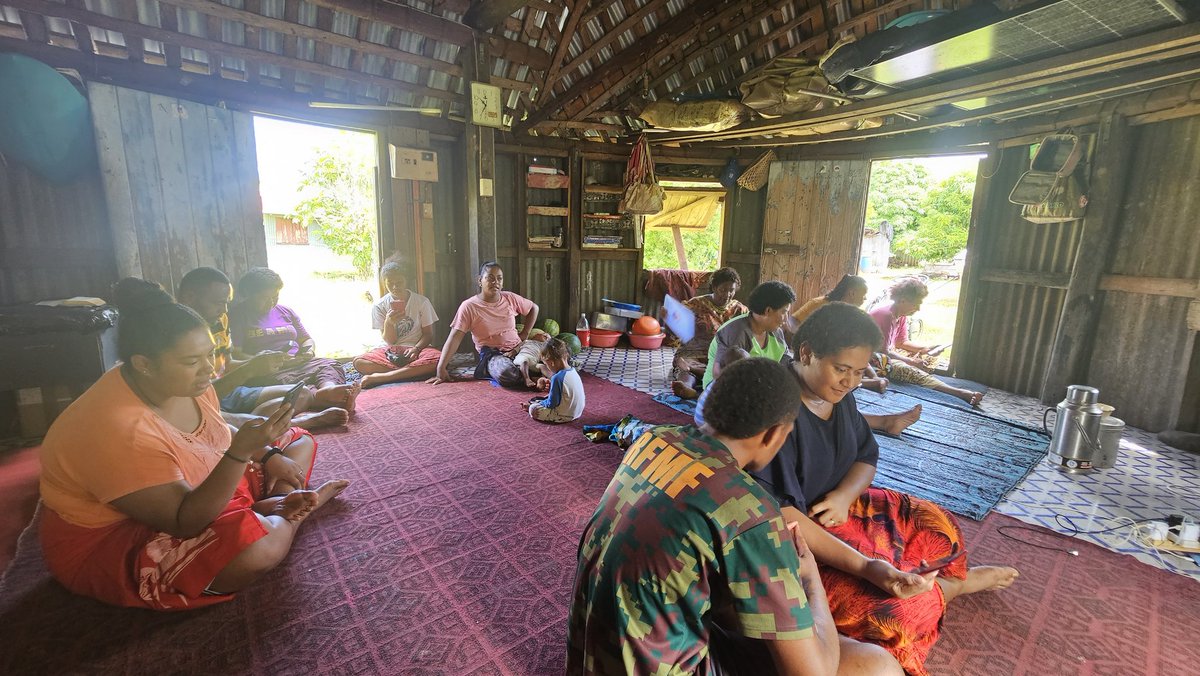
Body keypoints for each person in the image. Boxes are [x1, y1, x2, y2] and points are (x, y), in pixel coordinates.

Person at [568, 357, 903, 675]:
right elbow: (813, 672)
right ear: (774, 434)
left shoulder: (652, 441)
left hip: (591, 657)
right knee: (876, 665)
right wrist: (811, 579)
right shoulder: (750, 510)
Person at [38, 278, 349, 611]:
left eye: (210, 354)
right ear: (144, 363)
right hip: (120, 537)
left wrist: (270, 454)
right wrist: (241, 452)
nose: (209, 370)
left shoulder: (182, 381)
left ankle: (272, 508)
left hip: (195, 484)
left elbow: (217, 428)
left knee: (297, 442)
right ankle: (289, 517)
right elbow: (185, 521)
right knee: (256, 553)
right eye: (192, 361)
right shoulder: (115, 429)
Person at [754, 303, 1018, 675]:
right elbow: (781, 515)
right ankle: (952, 588)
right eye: (842, 369)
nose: (849, 382)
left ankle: (939, 584)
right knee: (901, 612)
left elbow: (866, 455)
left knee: (937, 523)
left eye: (859, 372)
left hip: (843, 506)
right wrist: (867, 567)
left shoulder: (838, 395)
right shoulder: (776, 410)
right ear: (807, 353)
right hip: (803, 532)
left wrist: (845, 496)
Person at [178, 267, 349, 430]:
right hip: (202, 399)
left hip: (232, 391)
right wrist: (251, 368)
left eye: (226, 303)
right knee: (216, 419)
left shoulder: (220, 320)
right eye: (218, 303)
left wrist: (261, 362)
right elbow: (197, 396)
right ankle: (294, 423)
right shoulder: (175, 336)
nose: (224, 310)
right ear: (189, 297)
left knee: (302, 393)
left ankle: (262, 423)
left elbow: (227, 364)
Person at [228, 267, 360, 412]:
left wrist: (308, 351)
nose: (271, 302)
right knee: (281, 383)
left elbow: (306, 339)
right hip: (270, 371)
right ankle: (323, 397)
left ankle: (328, 389)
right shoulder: (237, 316)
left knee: (329, 364)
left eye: (275, 297)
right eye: (264, 298)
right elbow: (236, 354)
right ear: (249, 295)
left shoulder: (285, 311)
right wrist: (265, 361)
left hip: (299, 363)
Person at [868, 278, 984, 406]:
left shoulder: (900, 316)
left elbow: (901, 342)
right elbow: (883, 351)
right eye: (916, 304)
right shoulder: (886, 315)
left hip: (884, 354)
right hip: (870, 357)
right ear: (903, 301)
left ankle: (931, 379)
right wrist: (911, 362)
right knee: (907, 368)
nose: (918, 308)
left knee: (921, 359)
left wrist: (925, 349)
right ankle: (958, 392)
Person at [426, 261, 540, 388]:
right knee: (507, 373)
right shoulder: (469, 306)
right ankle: (531, 374)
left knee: (558, 352)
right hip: (494, 355)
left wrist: (525, 333)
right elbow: (454, 338)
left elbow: (534, 308)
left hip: (519, 348)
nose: (495, 282)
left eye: (499, 278)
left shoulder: (509, 298)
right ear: (480, 280)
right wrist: (441, 368)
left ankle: (528, 372)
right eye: (490, 278)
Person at [351, 262, 442, 388]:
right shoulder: (379, 306)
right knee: (359, 362)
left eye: (399, 282)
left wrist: (416, 349)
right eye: (390, 283)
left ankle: (382, 376)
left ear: (406, 280)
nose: (394, 287)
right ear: (384, 282)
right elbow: (390, 341)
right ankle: (410, 372)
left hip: (417, 349)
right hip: (390, 351)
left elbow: (428, 334)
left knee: (438, 359)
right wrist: (389, 323)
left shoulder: (422, 302)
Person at [666, 267, 748, 399]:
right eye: (723, 290)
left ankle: (696, 371)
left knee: (734, 366)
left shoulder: (740, 309)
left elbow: (749, 330)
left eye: (731, 290)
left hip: (721, 355)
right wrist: (670, 318)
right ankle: (686, 387)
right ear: (714, 287)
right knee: (685, 366)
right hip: (694, 353)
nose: (727, 294)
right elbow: (676, 326)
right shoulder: (695, 304)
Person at [701, 280, 796, 389]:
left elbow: (786, 361)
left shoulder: (776, 332)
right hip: (722, 391)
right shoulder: (736, 332)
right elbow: (721, 375)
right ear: (768, 311)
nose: (786, 319)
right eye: (784, 312)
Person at [522, 337, 585, 424]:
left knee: (534, 409)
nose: (547, 367)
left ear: (551, 362)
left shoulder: (557, 378)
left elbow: (552, 403)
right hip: (578, 412)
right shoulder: (573, 371)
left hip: (564, 415)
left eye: (546, 364)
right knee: (542, 399)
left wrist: (539, 404)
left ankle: (530, 407)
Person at [791, 274, 869, 329]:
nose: (865, 298)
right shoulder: (818, 304)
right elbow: (792, 322)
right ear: (852, 293)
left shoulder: (851, 312)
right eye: (864, 295)